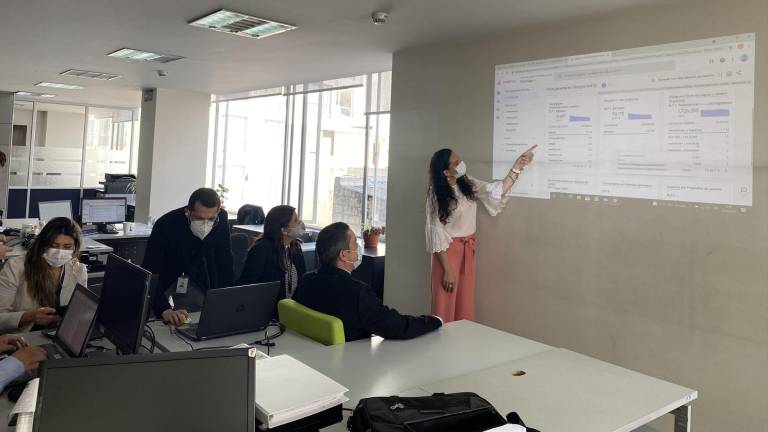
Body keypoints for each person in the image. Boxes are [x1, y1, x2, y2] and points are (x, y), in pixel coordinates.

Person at [426, 146, 536, 322]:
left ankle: (462, 338)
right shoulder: (436, 194)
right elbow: (435, 232)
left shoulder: (466, 182)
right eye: (456, 163)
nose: (461, 164)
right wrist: (447, 270)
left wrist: (517, 167)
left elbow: (497, 190)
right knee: (445, 304)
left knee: (464, 302)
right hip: (446, 254)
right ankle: (441, 338)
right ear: (446, 172)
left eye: (459, 159)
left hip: (467, 251)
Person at [294, 222, 442, 341]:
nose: (358, 248)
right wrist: (435, 321)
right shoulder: (357, 293)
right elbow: (398, 327)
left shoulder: (306, 281)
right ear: (344, 255)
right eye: (354, 244)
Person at [143, 188, 234, 326]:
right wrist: (164, 309)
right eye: (199, 218)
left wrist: (227, 297)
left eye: (211, 219)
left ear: (218, 212)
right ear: (188, 211)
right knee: (151, 321)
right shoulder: (166, 224)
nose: (205, 224)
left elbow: (224, 260)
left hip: (192, 275)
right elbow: (151, 269)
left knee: (196, 320)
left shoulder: (221, 219)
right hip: (164, 275)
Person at [0, 218, 87, 332]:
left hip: (60, 334)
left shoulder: (79, 271)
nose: (59, 252)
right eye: (54, 245)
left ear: (75, 247)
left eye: (67, 247)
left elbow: (79, 311)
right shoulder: (16, 267)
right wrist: (28, 317)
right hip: (23, 337)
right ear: (42, 244)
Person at [238, 205, 306, 300]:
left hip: (289, 307)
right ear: (283, 230)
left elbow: (301, 282)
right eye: (295, 220)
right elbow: (246, 286)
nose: (300, 222)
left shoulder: (295, 247)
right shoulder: (262, 249)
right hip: (265, 306)